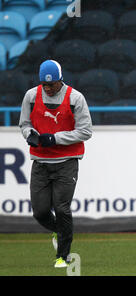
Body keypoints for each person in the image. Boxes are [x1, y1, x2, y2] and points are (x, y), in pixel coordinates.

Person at [19, 60, 92, 268]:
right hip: (41, 162)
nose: (48, 88)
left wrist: (56, 138)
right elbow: (24, 123)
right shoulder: (31, 97)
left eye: (52, 84)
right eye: (45, 85)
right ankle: (60, 231)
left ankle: (63, 255)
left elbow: (86, 131)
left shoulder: (75, 98)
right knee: (40, 212)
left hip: (66, 162)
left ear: (61, 81)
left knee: (62, 209)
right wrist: (29, 134)